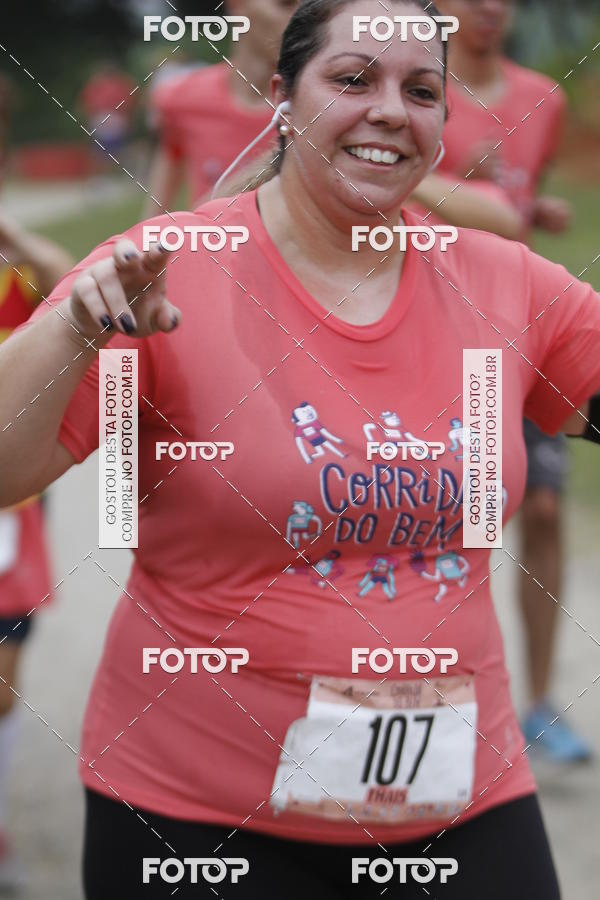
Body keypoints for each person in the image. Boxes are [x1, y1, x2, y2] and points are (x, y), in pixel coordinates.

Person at [1, 0, 599, 896]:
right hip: (199, 813)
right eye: (353, 79)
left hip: (461, 802)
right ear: (282, 95)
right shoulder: (167, 269)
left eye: (422, 91)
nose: (390, 109)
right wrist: (72, 331)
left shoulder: (505, 283)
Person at [432, 0, 590, 763]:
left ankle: (540, 705)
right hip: (433, 327)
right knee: (450, 515)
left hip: (519, 327)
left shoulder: (543, 98)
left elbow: (518, 207)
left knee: (547, 508)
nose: (490, 7)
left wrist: (533, 210)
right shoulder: (412, 89)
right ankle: (439, 694)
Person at [0, 213, 71, 892]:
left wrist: (16, 240)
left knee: (1, 684)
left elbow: (71, 284)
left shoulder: (15, 269)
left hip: (8, 505)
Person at [144, 0, 300, 214]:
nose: (302, 18)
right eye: (285, 4)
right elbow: (153, 219)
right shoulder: (181, 99)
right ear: (237, 5)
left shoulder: (317, 105)